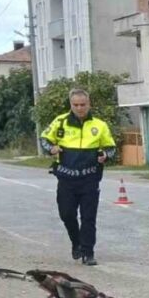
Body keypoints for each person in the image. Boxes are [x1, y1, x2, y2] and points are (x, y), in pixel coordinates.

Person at [40, 88, 116, 266]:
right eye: (76, 105)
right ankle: (77, 243)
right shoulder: (60, 122)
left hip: (90, 179)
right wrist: (51, 149)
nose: (80, 108)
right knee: (67, 214)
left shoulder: (100, 125)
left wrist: (105, 154)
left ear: (89, 104)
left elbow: (111, 147)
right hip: (66, 179)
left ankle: (88, 252)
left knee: (89, 217)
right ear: (71, 105)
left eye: (83, 105)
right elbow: (44, 139)